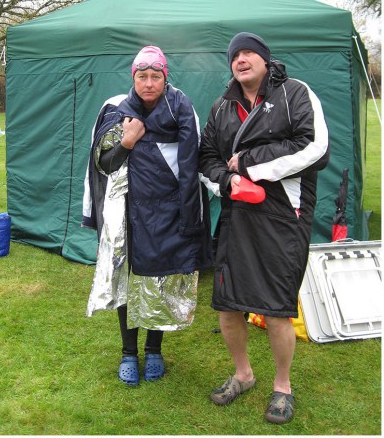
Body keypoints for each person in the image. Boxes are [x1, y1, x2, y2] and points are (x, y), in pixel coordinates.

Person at [199, 32, 329, 423]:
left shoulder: (295, 93)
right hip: (237, 211)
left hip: (283, 213)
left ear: (265, 60)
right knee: (227, 305)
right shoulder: (222, 106)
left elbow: (315, 147)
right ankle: (243, 374)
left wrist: (250, 163)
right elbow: (206, 157)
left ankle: (283, 387)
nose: (241, 59)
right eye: (235, 55)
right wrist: (227, 181)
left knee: (275, 310)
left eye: (249, 53)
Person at [82, 45, 212, 386]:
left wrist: (190, 219)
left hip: (169, 208)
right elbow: (103, 163)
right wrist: (127, 141)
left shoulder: (182, 109)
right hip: (126, 210)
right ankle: (129, 352)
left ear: (165, 78)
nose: (149, 83)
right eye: (143, 76)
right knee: (127, 279)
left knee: (161, 278)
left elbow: (191, 165)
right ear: (134, 78)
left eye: (156, 76)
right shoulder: (116, 109)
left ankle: (154, 349)